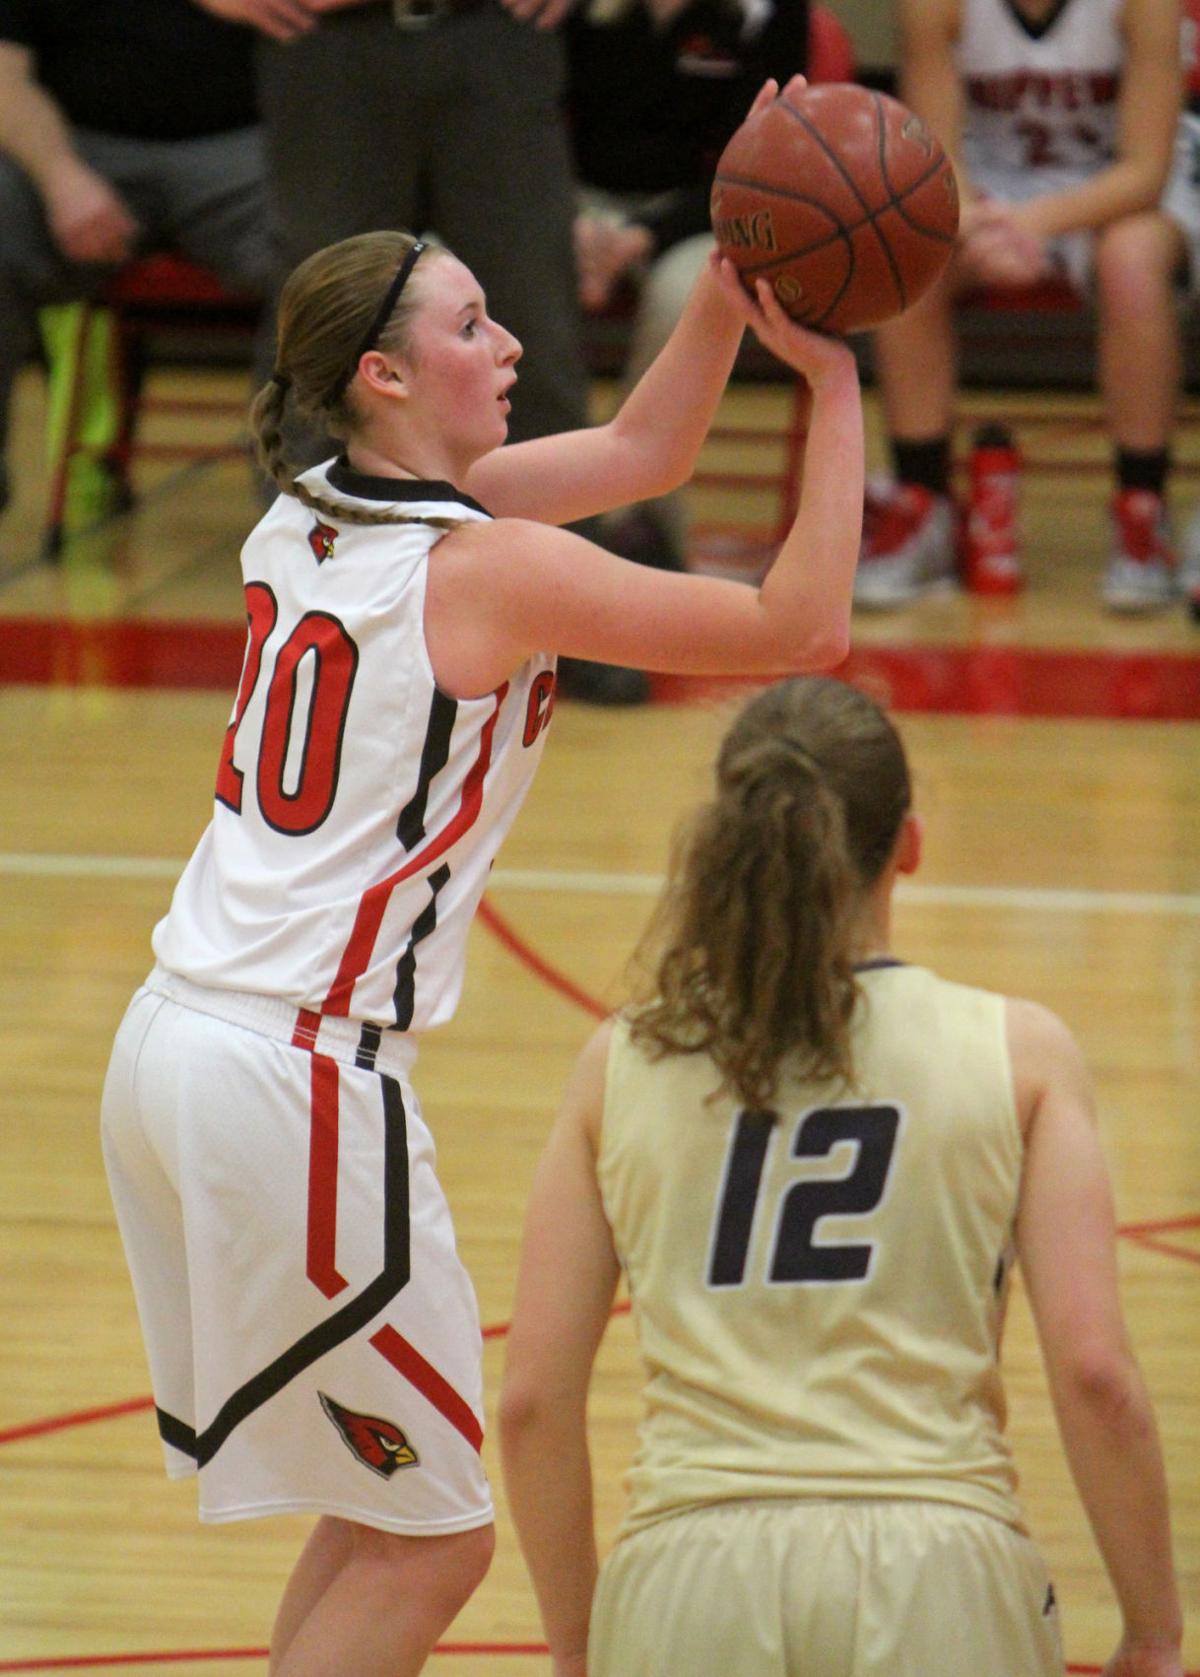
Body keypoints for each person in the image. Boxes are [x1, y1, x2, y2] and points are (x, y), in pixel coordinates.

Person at [98, 82, 865, 1672]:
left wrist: (730, 279)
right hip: (296, 1082)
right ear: (384, 375)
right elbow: (799, 631)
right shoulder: (488, 565)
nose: (509, 344)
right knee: (436, 1539)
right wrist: (841, 389)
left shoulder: (308, 511)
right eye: (471, 324)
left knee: (381, 1519)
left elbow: (650, 444)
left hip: (183, 1047)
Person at [499, 674, 1185, 1677]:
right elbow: (1097, 1377)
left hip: (687, 1580)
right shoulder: (1023, 1055)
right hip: (937, 1571)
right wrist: (1156, 1631)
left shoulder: (619, 1063)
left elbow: (531, 1406)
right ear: (906, 843)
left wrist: (580, 1648)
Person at [194, 0, 649, 707]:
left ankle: (568, 615)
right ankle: (305, 618)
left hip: (493, 33)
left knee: (533, 328)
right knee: (323, 331)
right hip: (332, 43)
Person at [853, 0, 1187, 615]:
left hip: (1118, 194)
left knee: (1131, 266)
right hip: (988, 196)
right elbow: (936, 161)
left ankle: (1143, 510)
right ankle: (923, 501)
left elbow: (1144, 170)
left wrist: (1027, 227)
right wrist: (977, 226)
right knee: (906, 257)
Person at [564, 0, 810, 573]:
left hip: (706, 219)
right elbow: (527, 127)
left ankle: (636, 519)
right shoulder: (565, 11)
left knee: (687, 295)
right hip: (574, 210)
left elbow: (759, 160)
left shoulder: (771, 14)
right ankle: (505, 512)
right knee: (477, 274)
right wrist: (566, 224)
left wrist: (643, 236)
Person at [0, 0, 270, 521]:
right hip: (79, 151)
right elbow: (6, 74)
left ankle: (311, 506)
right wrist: (61, 176)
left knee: (330, 254)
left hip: (248, 154)